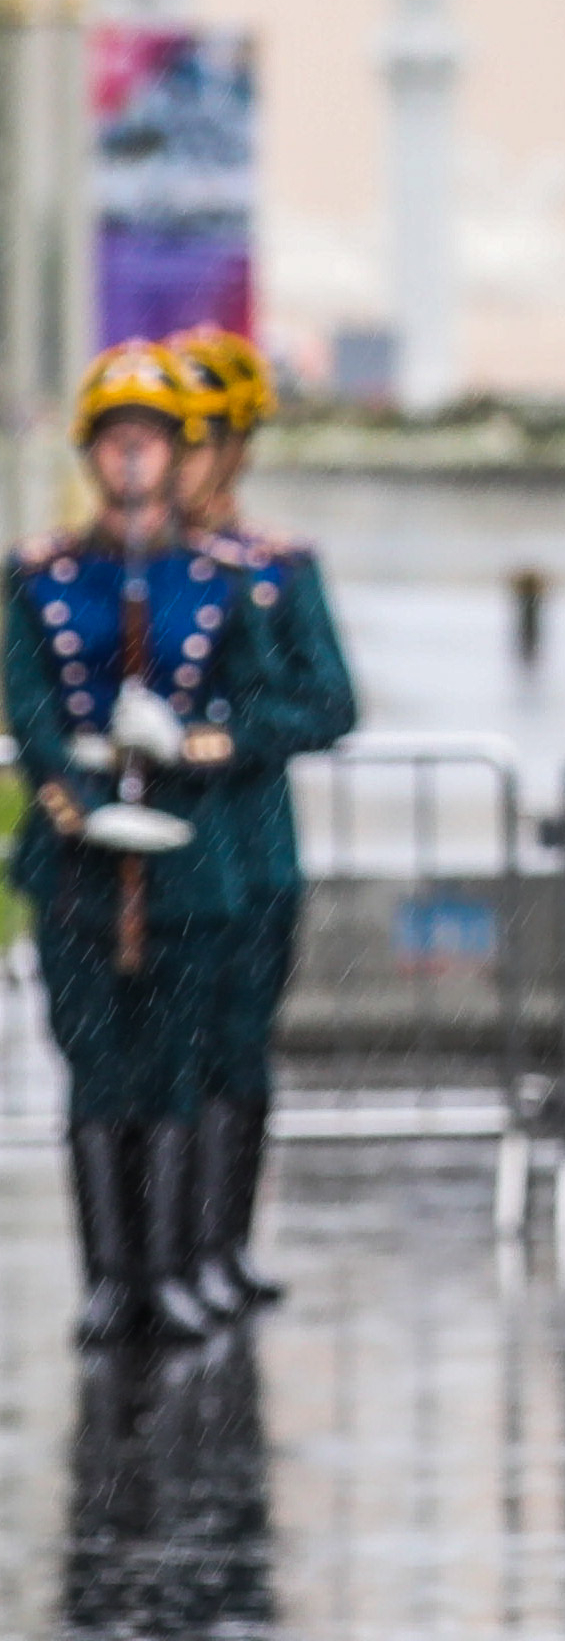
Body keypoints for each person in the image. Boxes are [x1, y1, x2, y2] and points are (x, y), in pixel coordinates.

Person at [6, 343, 283, 1346]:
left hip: (187, 851)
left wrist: (198, 747)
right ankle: (106, 1276)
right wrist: (68, 791)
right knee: (91, 1061)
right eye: (117, 442)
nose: (134, 461)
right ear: (93, 453)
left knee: (172, 1061)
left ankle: (168, 1266)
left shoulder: (221, 582)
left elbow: (266, 703)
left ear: (177, 455)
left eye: (152, 443)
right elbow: (29, 696)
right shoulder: (42, 576)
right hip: (79, 853)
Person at [168, 324, 359, 1314]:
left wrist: (226, 735)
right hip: (151, 860)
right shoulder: (124, 570)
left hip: (252, 846)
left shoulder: (275, 567)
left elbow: (329, 701)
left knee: (238, 1048)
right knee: (158, 1054)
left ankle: (220, 1245)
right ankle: (155, 1260)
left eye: (201, 438)